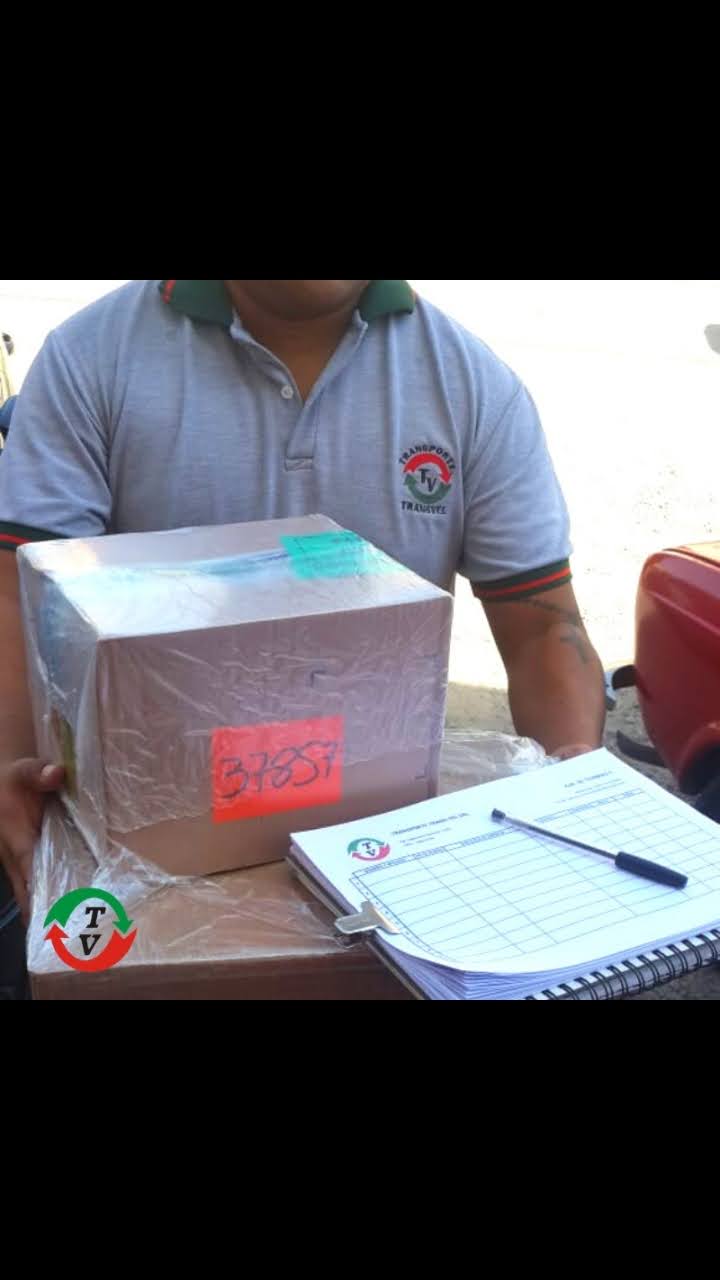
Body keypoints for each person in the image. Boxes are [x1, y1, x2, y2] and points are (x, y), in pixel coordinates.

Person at [0, 280, 605, 925]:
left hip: (378, 834)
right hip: (147, 832)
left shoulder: (472, 387)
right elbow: (19, 597)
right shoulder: (91, 358)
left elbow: (543, 629)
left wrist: (576, 787)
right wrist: (9, 762)